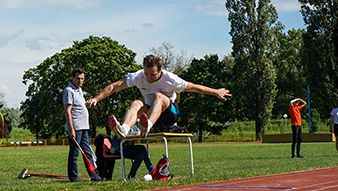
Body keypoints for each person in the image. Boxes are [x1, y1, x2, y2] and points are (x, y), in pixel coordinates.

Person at [86, 54, 231, 139]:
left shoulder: (171, 79)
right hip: (150, 112)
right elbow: (114, 86)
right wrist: (96, 98)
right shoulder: (139, 76)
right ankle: (124, 129)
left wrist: (215, 91)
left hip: (169, 115)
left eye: (153, 75)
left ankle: (147, 126)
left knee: (158, 96)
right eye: (146, 74)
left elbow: (193, 87)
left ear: (160, 71)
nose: (149, 78)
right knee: (136, 103)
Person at [63, 68, 102, 182]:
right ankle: (73, 178)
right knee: (75, 154)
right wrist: (71, 129)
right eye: (78, 78)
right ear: (73, 78)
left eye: (82, 79)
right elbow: (68, 110)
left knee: (88, 152)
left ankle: (94, 176)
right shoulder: (68, 90)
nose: (80, 81)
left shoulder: (79, 90)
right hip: (76, 127)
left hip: (84, 127)